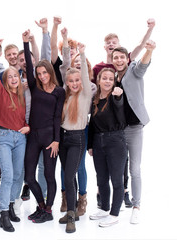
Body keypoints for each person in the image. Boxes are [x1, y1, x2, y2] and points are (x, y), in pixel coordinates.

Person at [22, 29, 65, 223]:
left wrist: (57, 140)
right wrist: (25, 43)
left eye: (44, 72)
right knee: (29, 176)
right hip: (33, 136)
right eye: (39, 73)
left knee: (49, 174)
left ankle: (48, 211)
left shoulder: (58, 91)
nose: (41, 76)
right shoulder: (34, 85)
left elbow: (57, 117)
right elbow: (29, 65)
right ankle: (40, 205)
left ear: (50, 72)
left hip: (50, 137)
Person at [112, 40, 156, 224]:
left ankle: (136, 206)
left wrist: (149, 50)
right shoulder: (112, 76)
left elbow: (143, 65)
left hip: (135, 127)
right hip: (118, 129)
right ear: (112, 60)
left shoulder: (133, 70)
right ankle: (117, 202)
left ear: (127, 59)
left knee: (134, 169)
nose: (119, 60)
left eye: (122, 57)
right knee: (118, 168)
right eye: (116, 58)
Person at [0, 39, 30, 232]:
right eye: (10, 76)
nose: (13, 78)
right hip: (4, 137)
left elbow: (29, 115)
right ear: (5, 79)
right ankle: (3, 213)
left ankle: (12, 206)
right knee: (8, 175)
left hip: (20, 138)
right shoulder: (0, 92)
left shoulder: (22, 95)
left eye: (16, 76)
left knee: (18, 176)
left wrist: (28, 127)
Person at [58, 42, 93, 233]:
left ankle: (71, 214)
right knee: (67, 175)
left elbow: (85, 76)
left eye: (76, 81)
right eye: (70, 81)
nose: (74, 84)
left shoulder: (86, 94)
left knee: (70, 175)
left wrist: (82, 52)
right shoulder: (65, 96)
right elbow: (65, 69)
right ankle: (70, 210)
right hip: (63, 139)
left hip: (78, 138)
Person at [87, 68, 127, 227]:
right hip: (98, 142)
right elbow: (92, 125)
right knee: (101, 179)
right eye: (105, 78)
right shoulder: (95, 99)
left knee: (117, 180)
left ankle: (114, 214)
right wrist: (90, 145)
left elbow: (122, 121)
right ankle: (104, 208)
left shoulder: (116, 96)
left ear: (114, 81)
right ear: (99, 80)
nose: (108, 81)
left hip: (115, 142)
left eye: (111, 79)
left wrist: (118, 99)